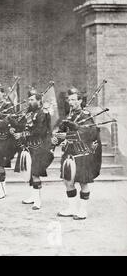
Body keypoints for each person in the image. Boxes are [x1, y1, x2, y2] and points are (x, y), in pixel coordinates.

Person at [52, 87, 102, 220]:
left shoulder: (86, 115)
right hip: (69, 153)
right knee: (68, 181)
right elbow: (61, 132)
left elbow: (90, 134)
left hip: (81, 153)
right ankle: (72, 208)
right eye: (69, 99)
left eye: (74, 99)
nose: (71, 102)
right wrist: (56, 139)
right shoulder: (69, 115)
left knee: (83, 182)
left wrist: (74, 130)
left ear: (80, 101)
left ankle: (83, 210)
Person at [11, 89, 53, 210]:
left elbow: (39, 131)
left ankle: (38, 200)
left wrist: (22, 134)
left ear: (39, 101)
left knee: (35, 173)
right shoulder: (29, 113)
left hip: (39, 146)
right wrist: (14, 126)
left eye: (32, 100)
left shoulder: (43, 113)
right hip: (29, 146)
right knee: (29, 172)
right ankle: (32, 196)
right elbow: (22, 125)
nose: (29, 102)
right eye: (29, 99)